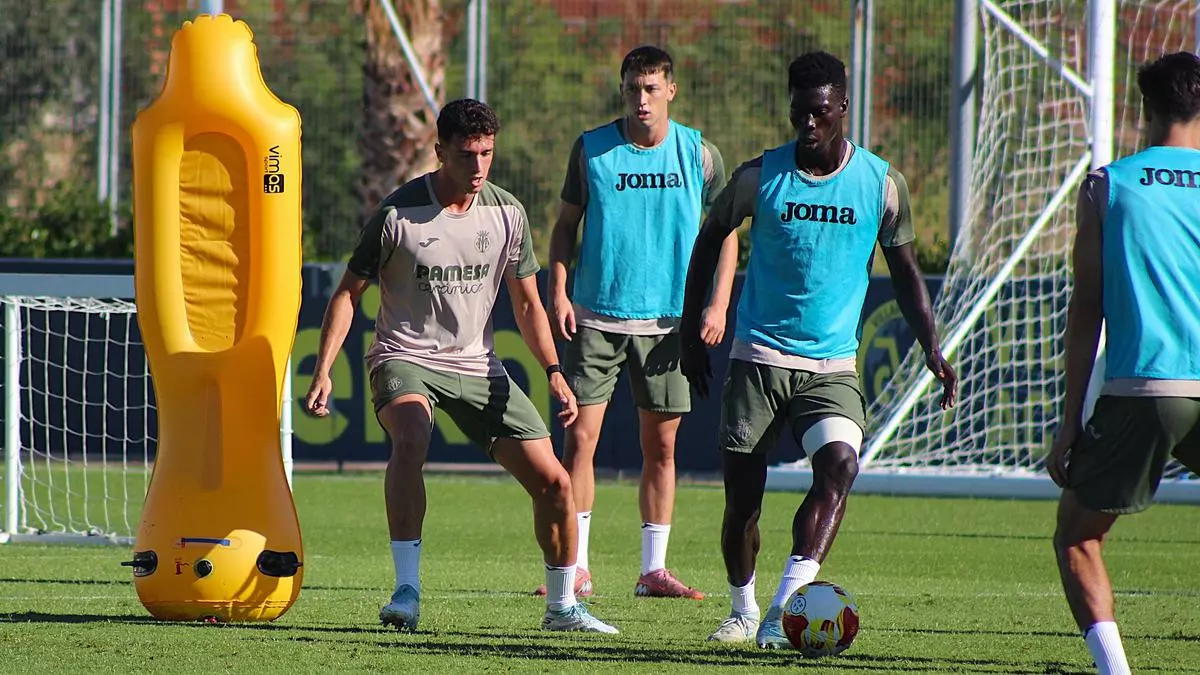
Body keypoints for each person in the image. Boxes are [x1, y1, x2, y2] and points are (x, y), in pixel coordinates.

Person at [304, 99, 617, 634]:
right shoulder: (397, 215)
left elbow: (527, 305)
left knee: (556, 484)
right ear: (440, 151)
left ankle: (563, 607)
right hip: (405, 355)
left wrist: (553, 370)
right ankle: (406, 590)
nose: (478, 166)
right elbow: (348, 293)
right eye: (467, 154)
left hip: (477, 365)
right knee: (412, 436)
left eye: (487, 153)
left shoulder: (507, 213)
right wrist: (323, 370)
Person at [679, 51, 957, 647]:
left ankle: (784, 609)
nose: (809, 124)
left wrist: (932, 347)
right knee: (742, 508)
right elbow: (708, 240)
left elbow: (907, 272)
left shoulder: (881, 184)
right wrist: (689, 333)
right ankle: (742, 609)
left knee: (840, 466)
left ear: (843, 108)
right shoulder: (760, 177)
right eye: (800, 112)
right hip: (758, 359)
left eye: (821, 112)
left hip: (831, 366)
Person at [541, 45, 739, 600]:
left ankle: (653, 570)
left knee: (663, 448)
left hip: (669, 323)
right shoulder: (592, 149)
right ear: (623, 90)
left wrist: (718, 304)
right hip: (597, 317)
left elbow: (725, 234)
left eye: (651, 88)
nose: (642, 99)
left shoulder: (700, 154)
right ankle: (576, 567)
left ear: (671, 90)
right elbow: (565, 226)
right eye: (633, 88)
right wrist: (558, 290)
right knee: (580, 441)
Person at [1047, 52, 1200, 675]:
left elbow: (1087, 307)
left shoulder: (1109, 186)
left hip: (1148, 389)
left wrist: (1068, 423)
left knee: (1078, 537)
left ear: (1146, 109)